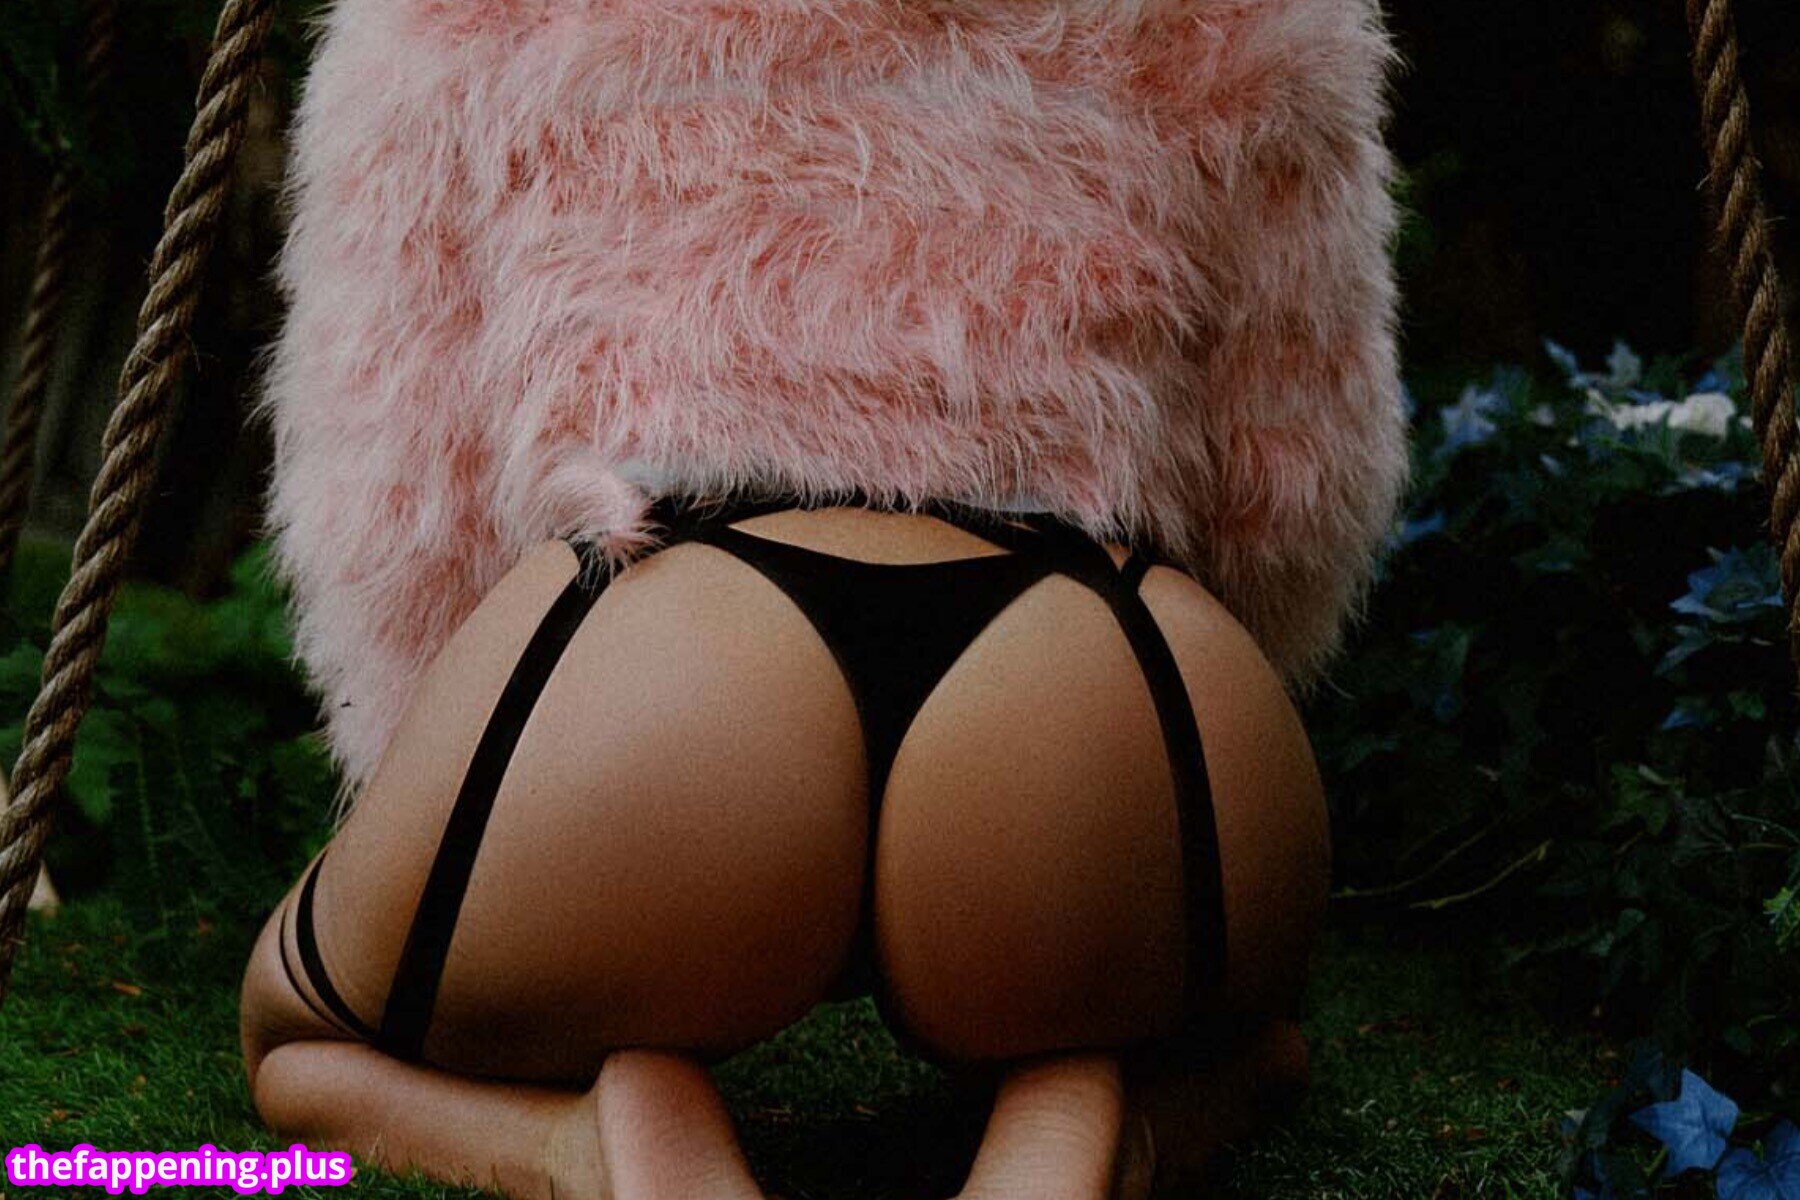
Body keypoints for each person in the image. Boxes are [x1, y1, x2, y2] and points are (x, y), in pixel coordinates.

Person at [240, 1, 1408, 1196]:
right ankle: (1089, 1109)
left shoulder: (458, 18)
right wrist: (1161, 776)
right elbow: (1294, 491)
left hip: (668, 655)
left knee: (300, 1033)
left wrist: (486, 780)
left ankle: (587, 1147)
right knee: (1253, 1050)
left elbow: (401, 496)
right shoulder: (1254, 19)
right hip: (1091, 663)